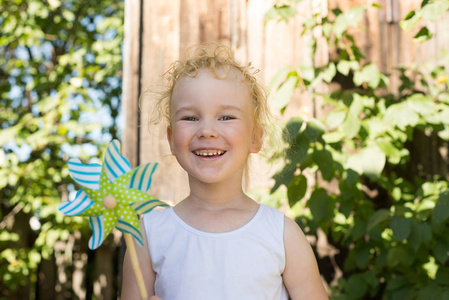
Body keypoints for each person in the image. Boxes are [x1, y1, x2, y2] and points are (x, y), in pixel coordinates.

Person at [121, 44, 328, 300]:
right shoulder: (147, 236)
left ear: (255, 138)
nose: (207, 130)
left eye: (226, 117)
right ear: (172, 139)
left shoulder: (282, 235)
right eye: (190, 118)